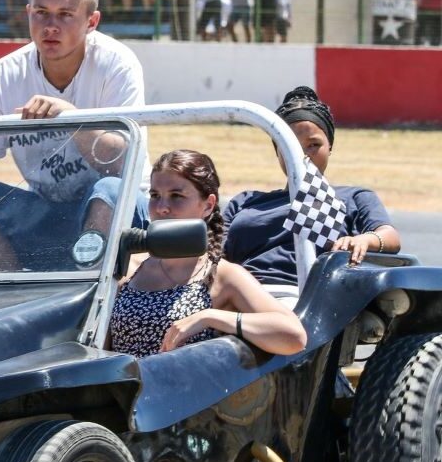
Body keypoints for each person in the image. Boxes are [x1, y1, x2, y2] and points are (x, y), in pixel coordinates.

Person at [0, 0, 149, 272]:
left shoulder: (117, 65)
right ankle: (9, 301)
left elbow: (123, 165)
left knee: (108, 192)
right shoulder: (3, 76)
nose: (50, 26)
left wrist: (71, 119)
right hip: (49, 214)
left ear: (91, 22)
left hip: (122, 212)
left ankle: (90, 303)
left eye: (65, 15)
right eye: (41, 13)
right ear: (28, 13)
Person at [109, 149, 307, 359]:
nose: (162, 208)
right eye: (155, 195)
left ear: (208, 205)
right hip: (121, 388)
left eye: (176, 196)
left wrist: (210, 317)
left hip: (185, 388)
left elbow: (294, 336)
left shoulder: (223, 275)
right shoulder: (129, 267)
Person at [223, 86, 402, 299]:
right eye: (291, 147)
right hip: (238, 294)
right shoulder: (246, 202)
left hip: (312, 298)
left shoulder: (352, 197)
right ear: (277, 150)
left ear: (330, 147)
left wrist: (364, 240)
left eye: (313, 145)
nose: (303, 156)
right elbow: (211, 253)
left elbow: (389, 237)